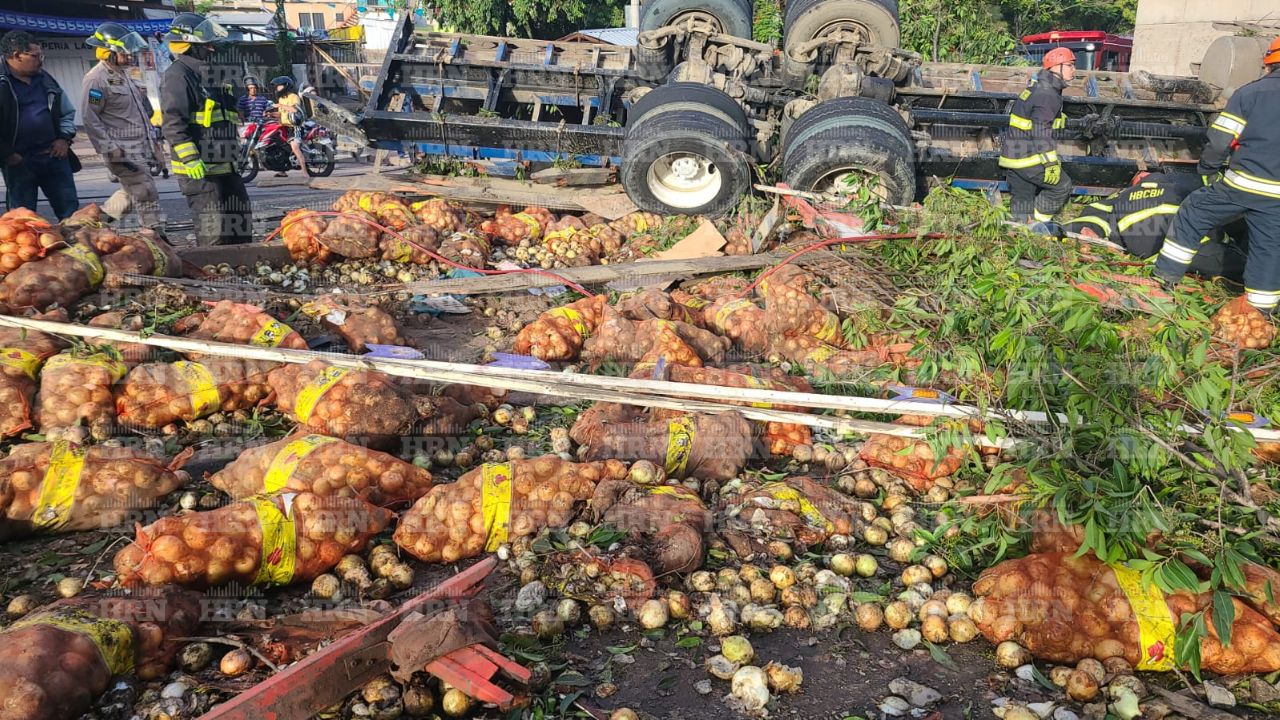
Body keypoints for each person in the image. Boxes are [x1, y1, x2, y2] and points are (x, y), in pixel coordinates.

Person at [1154, 38, 1280, 314]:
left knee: (1193, 212)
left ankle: (1165, 279)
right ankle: (1260, 315)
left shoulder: (1250, 94)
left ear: (1269, 64)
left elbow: (1220, 140)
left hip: (1240, 186)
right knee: (1270, 250)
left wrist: (1208, 171)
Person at [161, 13, 252, 245]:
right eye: (206, 44)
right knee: (214, 235)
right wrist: (190, 158)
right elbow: (173, 123)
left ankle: (244, 276)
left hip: (226, 167)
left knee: (241, 228)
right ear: (191, 45)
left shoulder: (212, 74)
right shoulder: (178, 75)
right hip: (199, 172)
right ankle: (214, 279)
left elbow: (226, 116)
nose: (212, 48)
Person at [1064, 171, 1247, 282]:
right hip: (1187, 249)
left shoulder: (1123, 196)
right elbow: (1222, 210)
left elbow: (1094, 212)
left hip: (1154, 256)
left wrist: (1087, 229)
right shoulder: (1183, 187)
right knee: (1242, 262)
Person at [81, 22, 164, 232]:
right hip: (122, 149)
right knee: (145, 191)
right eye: (125, 53)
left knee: (129, 194)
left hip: (140, 145)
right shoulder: (96, 80)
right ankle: (155, 236)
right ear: (109, 53)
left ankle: (92, 226)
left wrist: (155, 145)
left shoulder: (124, 75)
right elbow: (90, 118)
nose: (130, 57)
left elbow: (140, 116)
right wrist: (109, 148)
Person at [0, 30, 78, 219]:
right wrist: (7, 153)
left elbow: (67, 112)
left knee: (72, 215)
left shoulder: (45, 79)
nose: (41, 61)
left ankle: (78, 247)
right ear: (17, 55)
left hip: (54, 157)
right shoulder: (2, 83)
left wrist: (64, 139)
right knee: (22, 221)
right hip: (19, 163)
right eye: (35, 56)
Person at [999, 47, 1077, 225]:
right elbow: (1041, 130)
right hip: (1028, 158)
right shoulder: (1048, 94)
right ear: (1056, 67)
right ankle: (1037, 225)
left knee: (1022, 201)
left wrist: (1059, 120)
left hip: (1013, 156)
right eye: (1070, 65)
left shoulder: (1037, 87)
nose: (1074, 70)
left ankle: (1020, 232)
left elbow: (1037, 119)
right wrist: (1050, 163)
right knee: (1062, 186)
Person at [269, 75, 308, 177]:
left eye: (279, 86)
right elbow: (281, 114)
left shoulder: (294, 97)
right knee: (279, 147)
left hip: (295, 126)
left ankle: (305, 172)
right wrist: (270, 114)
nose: (277, 88)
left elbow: (295, 110)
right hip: (284, 127)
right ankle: (282, 170)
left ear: (285, 86)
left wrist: (279, 106)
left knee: (295, 147)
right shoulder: (281, 99)